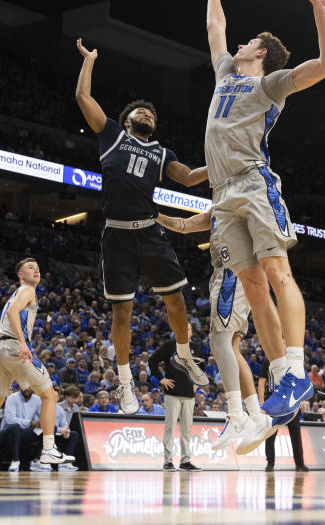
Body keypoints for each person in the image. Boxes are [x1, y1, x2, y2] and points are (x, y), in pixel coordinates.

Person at [200, 0, 325, 417]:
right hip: (222, 195)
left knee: (279, 275)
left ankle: (297, 371)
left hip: (253, 184)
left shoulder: (272, 84)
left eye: (249, 41)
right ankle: (281, 377)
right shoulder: (225, 74)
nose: (239, 42)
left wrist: (320, 9)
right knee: (253, 287)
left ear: (260, 53)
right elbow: (216, 28)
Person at [74, 38, 210, 414]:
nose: (147, 115)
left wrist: (220, 162)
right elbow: (84, 98)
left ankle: (184, 355)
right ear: (128, 117)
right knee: (123, 313)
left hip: (150, 231)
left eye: (152, 115)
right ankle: (124, 382)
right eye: (140, 112)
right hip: (116, 234)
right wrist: (89, 62)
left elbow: (187, 177)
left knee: (177, 301)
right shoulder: (112, 135)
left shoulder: (161, 152)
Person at [157, 210, 282, 453]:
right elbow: (186, 224)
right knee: (232, 348)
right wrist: (159, 217)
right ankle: (257, 418)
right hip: (234, 273)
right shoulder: (219, 206)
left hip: (231, 271)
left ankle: (236, 416)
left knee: (220, 342)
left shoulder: (235, 197)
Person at [0, 258, 74, 474]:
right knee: (49, 395)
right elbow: (14, 313)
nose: (36, 270)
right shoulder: (27, 290)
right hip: (14, 346)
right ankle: (49, 448)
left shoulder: (18, 293)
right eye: (31, 267)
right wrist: (23, 342)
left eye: (38, 267)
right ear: (21, 275)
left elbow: (11, 313)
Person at [148, 323, 203, 471]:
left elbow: (201, 367)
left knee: (187, 429)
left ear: (192, 332)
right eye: (183, 328)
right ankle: (167, 461)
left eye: (189, 329)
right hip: (172, 393)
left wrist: (197, 383)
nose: (186, 331)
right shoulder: (169, 345)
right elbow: (152, 361)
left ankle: (185, 461)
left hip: (190, 395)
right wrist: (161, 379)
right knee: (170, 428)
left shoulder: (196, 348)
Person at [257, 357, 308, 472]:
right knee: (270, 434)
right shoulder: (268, 360)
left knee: (295, 434)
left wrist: (302, 399)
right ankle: (270, 463)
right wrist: (261, 401)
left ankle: (300, 464)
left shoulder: (292, 360)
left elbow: (300, 381)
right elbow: (262, 381)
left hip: (291, 401)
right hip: (273, 400)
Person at [0, 387, 44, 472]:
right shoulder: (12, 398)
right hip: (6, 433)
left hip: (24, 433)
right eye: (25, 386)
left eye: (31, 386)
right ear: (20, 386)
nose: (28, 388)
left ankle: (37, 461)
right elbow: (10, 420)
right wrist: (30, 423)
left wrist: (41, 423)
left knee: (48, 429)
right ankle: (15, 461)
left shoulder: (37, 399)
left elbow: (39, 419)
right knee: (15, 426)